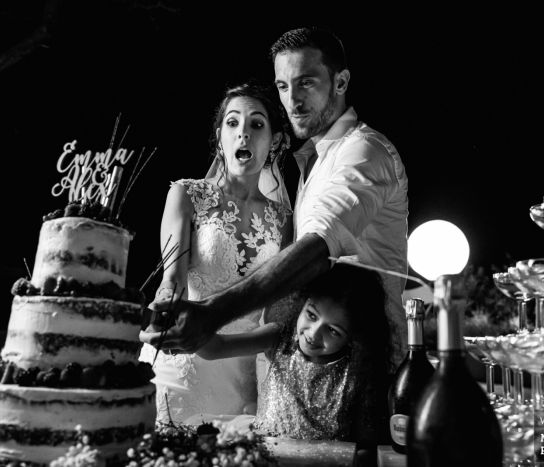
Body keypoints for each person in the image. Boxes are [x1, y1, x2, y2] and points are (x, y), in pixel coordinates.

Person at [141, 27, 409, 364]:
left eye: (306, 83)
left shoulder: (363, 151)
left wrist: (212, 315)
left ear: (340, 83)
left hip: (368, 359)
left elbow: (315, 251)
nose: (293, 101)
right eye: (283, 86)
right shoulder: (313, 162)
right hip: (308, 365)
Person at [138, 83, 293, 423]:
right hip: (182, 362)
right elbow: (173, 279)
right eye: (233, 123)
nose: (243, 134)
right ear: (219, 135)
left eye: (256, 124)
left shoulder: (283, 221)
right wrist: (162, 311)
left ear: (275, 140)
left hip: (241, 374)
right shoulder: (186, 194)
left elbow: (276, 313)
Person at [195, 263, 395, 465]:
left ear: (354, 337)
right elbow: (216, 348)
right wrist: (184, 327)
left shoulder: (358, 372)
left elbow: (367, 449)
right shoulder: (277, 338)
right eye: (311, 315)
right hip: (262, 457)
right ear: (303, 303)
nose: (314, 333)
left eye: (333, 330)